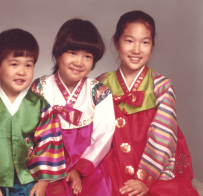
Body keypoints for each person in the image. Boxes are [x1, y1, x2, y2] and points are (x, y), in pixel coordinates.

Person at [97, 10, 199, 196]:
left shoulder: (161, 84)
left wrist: (145, 178)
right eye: (129, 41)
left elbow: (164, 131)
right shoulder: (101, 83)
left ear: (152, 44)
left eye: (145, 42)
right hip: (114, 160)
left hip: (154, 161)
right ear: (116, 42)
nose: (137, 49)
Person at [0, 29, 66, 196]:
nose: (22, 71)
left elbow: (48, 144)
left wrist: (43, 181)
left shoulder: (40, 105)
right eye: (14, 64)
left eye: (28, 65)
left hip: (27, 179)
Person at [30, 18, 115, 196]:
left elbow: (104, 136)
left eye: (87, 56)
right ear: (58, 53)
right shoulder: (40, 88)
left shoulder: (99, 92)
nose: (79, 62)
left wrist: (78, 170)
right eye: (73, 52)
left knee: (97, 189)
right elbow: (28, 133)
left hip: (86, 164)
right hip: (46, 163)